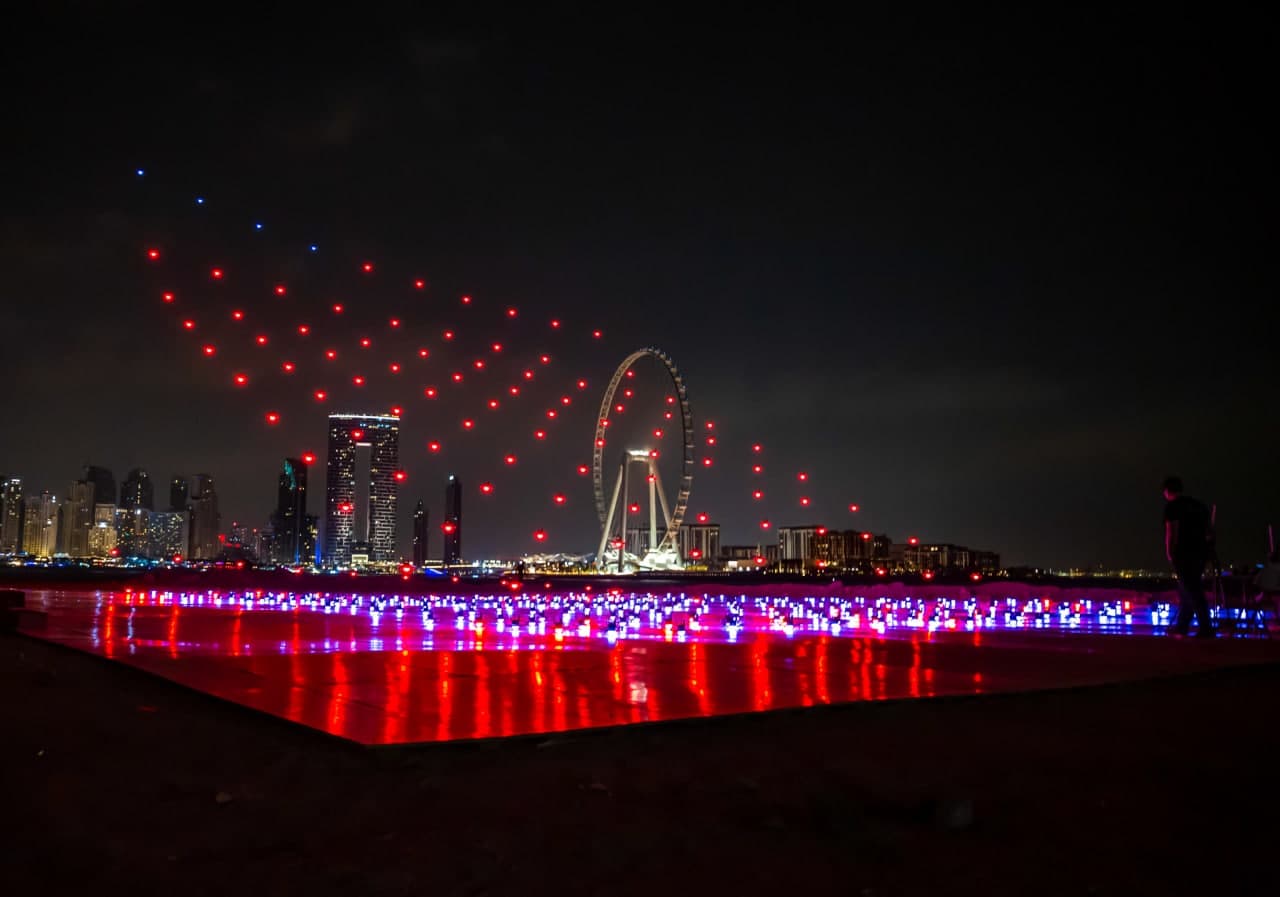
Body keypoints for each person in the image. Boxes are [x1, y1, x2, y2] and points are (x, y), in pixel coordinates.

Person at [1161, 476, 1215, 638]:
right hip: (1201, 552)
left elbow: (1172, 530)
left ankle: (1206, 627)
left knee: (1192, 589)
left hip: (1184, 553)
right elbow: (1210, 530)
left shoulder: (1172, 507)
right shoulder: (1198, 506)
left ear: (1167, 491)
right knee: (1187, 588)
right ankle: (1183, 625)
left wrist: (1170, 552)